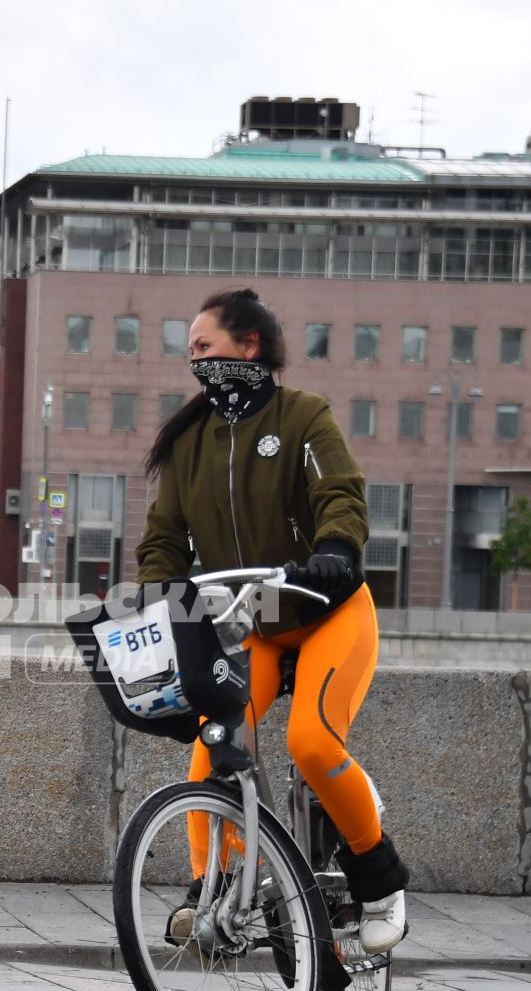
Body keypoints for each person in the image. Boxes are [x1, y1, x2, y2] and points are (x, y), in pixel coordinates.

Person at [135, 288, 408, 954]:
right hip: (255, 622)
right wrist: (156, 595)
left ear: (247, 346)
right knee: (212, 748)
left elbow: (339, 493)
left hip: (327, 611)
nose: (195, 361)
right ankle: (211, 891)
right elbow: (164, 539)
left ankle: (379, 880)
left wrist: (335, 551)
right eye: (189, 351)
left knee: (312, 745)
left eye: (204, 347)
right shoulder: (190, 442)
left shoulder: (303, 416)